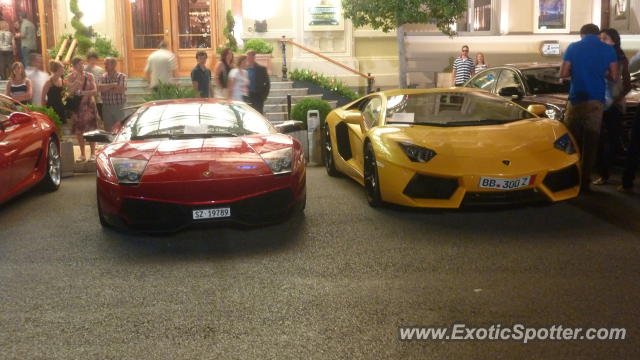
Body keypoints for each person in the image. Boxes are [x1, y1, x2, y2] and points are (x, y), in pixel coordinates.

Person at [559, 24, 619, 192]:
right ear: (597, 34)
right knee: (591, 142)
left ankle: (569, 177)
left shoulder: (573, 47)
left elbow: (563, 73)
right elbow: (614, 76)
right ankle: (585, 182)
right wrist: (600, 72)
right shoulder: (608, 50)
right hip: (596, 101)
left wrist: (577, 71)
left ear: (582, 34)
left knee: (571, 140)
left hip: (577, 99)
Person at [593, 28, 631, 186]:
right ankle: (605, 173)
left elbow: (625, 83)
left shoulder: (616, 59)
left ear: (613, 41)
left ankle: (605, 174)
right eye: (599, 38)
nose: (601, 41)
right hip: (606, 102)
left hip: (610, 104)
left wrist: (618, 97)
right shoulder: (618, 58)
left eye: (605, 39)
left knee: (607, 139)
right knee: (607, 139)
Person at [66, 57, 98, 162]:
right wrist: (76, 83)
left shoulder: (89, 76)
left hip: (89, 106)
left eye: (82, 63)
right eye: (79, 64)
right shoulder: (70, 77)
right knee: (79, 131)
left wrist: (83, 93)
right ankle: (82, 154)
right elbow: (68, 93)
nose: (82, 66)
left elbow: (94, 91)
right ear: (74, 66)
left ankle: (93, 153)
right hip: (77, 107)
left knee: (91, 130)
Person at [97, 57, 127, 132]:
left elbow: (121, 90)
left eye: (107, 64)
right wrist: (113, 85)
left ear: (114, 65)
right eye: (104, 64)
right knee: (108, 129)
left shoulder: (121, 76)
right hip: (106, 107)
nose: (105, 66)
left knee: (120, 128)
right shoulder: (102, 77)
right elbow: (99, 88)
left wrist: (106, 88)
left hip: (118, 106)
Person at [41, 60, 66, 124]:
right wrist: (45, 112)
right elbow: (42, 98)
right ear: (57, 70)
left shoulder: (62, 80)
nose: (64, 69)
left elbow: (63, 93)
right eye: (62, 68)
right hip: (51, 108)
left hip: (60, 107)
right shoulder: (49, 82)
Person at [85, 50, 105, 120]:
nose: (92, 61)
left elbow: (102, 81)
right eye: (91, 59)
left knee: (100, 114)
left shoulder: (100, 70)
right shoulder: (84, 69)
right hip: (87, 96)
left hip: (98, 95)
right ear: (88, 59)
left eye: (94, 59)